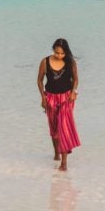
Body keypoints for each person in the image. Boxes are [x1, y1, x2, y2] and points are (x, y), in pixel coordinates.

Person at [37, 38, 81, 171]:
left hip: (66, 98)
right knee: (54, 128)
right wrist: (43, 98)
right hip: (50, 97)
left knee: (64, 128)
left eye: (62, 53)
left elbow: (76, 79)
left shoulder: (70, 62)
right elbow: (39, 80)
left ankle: (64, 163)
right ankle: (56, 153)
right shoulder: (45, 62)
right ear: (53, 50)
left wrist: (74, 92)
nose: (60, 56)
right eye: (57, 53)